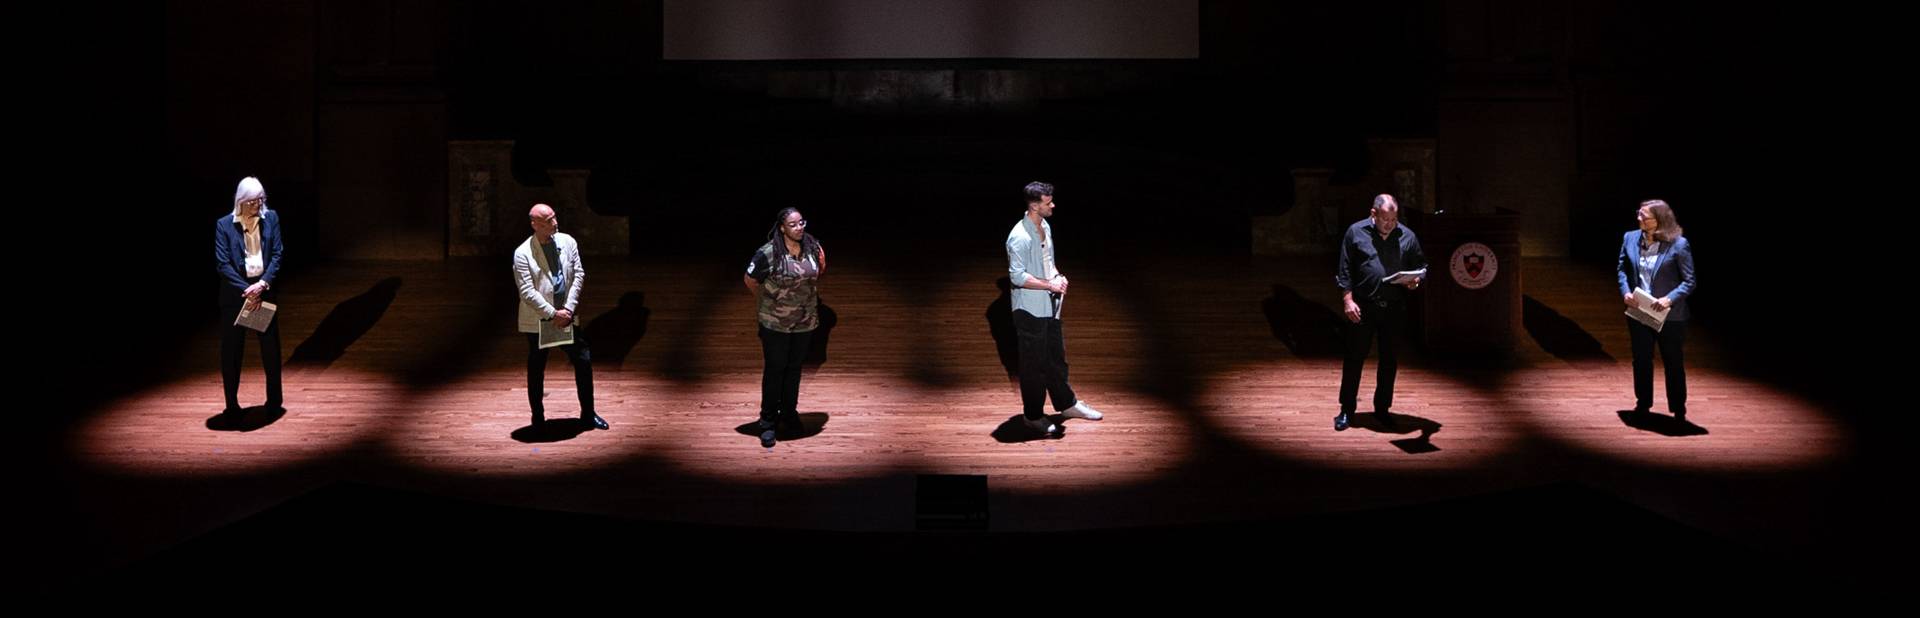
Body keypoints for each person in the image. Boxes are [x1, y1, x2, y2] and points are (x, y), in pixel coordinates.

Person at [1005, 181, 1103, 437]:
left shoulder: (1044, 225)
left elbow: (1048, 260)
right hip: (1029, 311)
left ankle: (1067, 404)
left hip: (1050, 306)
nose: (1053, 205)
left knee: (1056, 360)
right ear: (1035, 205)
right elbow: (1017, 277)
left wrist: (1058, 276)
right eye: (1048, 203)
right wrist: (1049, 284)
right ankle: (1033, 416)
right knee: (1033, 367)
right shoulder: (1019, 237)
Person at [1334, 194, 1426, 431]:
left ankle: (1382, 410)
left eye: (1394, 219)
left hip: (1394, 308)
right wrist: (1347, 299)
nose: (1390, 224)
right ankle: (1346, 409)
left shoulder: (1407, 236)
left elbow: (1422, 266)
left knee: (1389, 361)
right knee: (1354, 358)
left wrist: (1415, 280)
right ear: (1373, 214)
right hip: (1363, 306)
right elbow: (1344, 269)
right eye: (1386, 219)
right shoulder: (1355, 232)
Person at [513, 203, 607, 430]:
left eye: (554, 218)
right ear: (535, 224)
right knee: (537, 367)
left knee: (583, 360)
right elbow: (527, 291)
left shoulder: (567, 241)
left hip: (565, 315)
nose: (555, 223)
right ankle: (538, 419)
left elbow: (578, 274)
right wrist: (552, 313)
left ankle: (588, 414)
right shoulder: (523, 253)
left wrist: (568, 309)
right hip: (539, 319)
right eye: (548, 221)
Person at [744, 207, 826, 447]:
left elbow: (819, 270)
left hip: (805, 321)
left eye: (802, 222)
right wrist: (770, 303)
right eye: (793, 224)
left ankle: (789, 414)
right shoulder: (768, 253)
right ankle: (767, 422)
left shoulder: (813, 246)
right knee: (775, 370)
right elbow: (750, 280)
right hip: (775, 323)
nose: (800, 227)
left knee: (794, 369)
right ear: (782, 228)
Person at [1617, 199, 1696, 420]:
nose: (1638, 218)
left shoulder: (1679, 244)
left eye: (1644, 216)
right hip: (1640, 309)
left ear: (1658, 220)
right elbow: (1622, 269)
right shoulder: (1630, 237)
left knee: (1673, 361)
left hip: (1669, 314)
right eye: (1639, 213)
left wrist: (1668, 300)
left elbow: (1689, 281)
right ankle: (1643, 403)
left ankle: (1678, 408)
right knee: (1641, 359)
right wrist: (1625, 292)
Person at [214, 176, 285, 418]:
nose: (259, 205)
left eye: (261, 199)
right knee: (232, 351)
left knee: (270, 348)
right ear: (242, 201)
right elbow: (223, 264)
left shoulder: (270, 217)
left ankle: (274, 402)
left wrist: (262, 284)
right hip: (237, 294)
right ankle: (231, 405)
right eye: (254, 201)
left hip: (261, 289)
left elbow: (277, 253)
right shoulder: (224, 225)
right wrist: (246, 289)